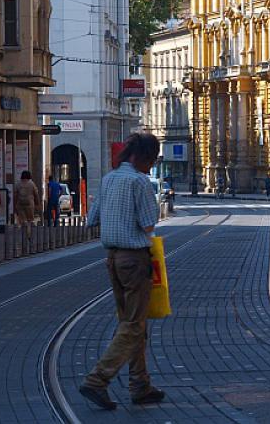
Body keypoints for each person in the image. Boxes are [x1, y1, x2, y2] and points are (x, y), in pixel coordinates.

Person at [81, 133, 165, 410]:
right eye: (151, 161)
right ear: (142, 158)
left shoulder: (109, 178)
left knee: (131, 323)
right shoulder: (139, 182)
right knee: (133, 325)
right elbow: (149, 224)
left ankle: (140, 385)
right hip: (135, 260)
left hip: (113, 259)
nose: (151, 167)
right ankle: (97, 379)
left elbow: (91, 219)